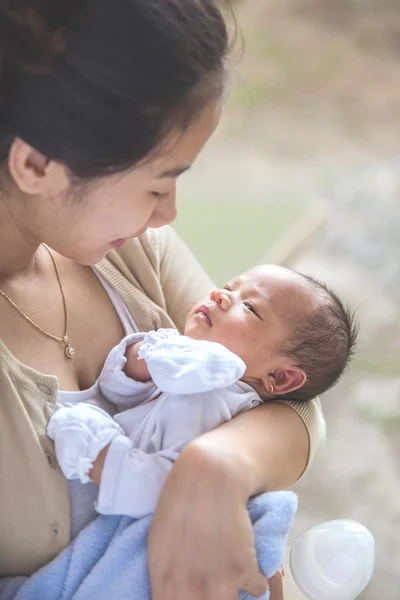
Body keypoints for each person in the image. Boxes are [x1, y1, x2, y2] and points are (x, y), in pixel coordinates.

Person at [0, 1, 326, 598]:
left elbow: (294, 399)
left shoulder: (132, 251)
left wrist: (218, 467)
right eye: (158, 184)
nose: (169, 214)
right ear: (36, 164)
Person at [48, 264, 357, 519]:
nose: (220, 295)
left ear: (281, 377)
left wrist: (97, 452)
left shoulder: (215, 409)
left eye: (250, 307)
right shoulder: (187, 361)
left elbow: (160, 490)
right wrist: (147, 360)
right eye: (228, 285)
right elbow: (116, 393)